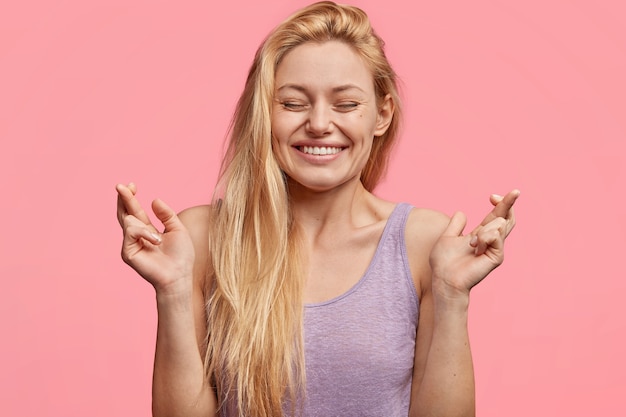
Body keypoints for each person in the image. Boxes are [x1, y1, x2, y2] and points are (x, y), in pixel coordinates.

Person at [116, 2, 519, 416]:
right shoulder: (202, 238)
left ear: (381, 114)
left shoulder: (425, 243)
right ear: (264, 113)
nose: (320, 123)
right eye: (292, 104)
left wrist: (452, 297)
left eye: (346, 104)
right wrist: (173, 291)